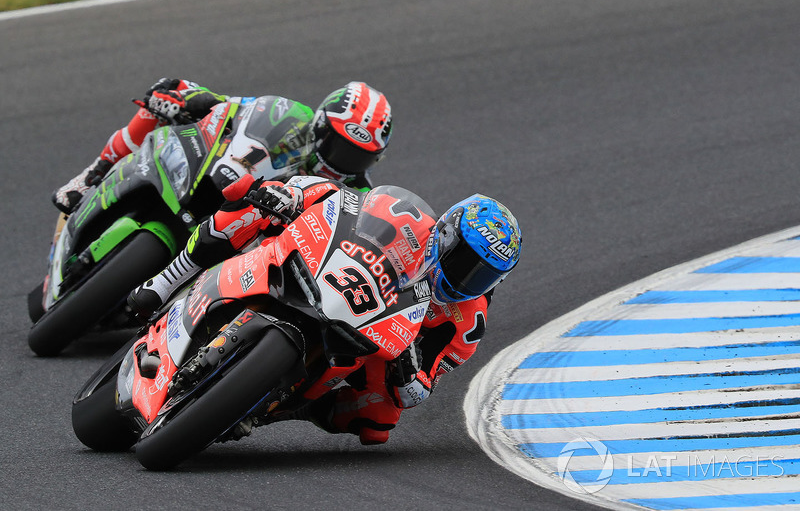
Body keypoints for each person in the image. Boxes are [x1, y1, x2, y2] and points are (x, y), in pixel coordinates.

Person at [129, 177, 522, 445]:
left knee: (378, 423)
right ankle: (166, 281)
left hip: (374, 340)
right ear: (444, 234)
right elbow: (341, 199)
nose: (467, 279)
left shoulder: (466, 323)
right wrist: (293, 196)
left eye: (483, 275)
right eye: (463, 261)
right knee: (248, 208)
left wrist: (408, 370)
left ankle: (280, 407)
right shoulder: (403, 215)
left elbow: (420, 390)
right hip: (327, 276)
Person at [52, 78, 392, 213]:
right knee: (170, 88)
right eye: (339, 146)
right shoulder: (289, 115)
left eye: (358, 156)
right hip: (225, 174)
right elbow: (234, 104)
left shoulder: (358, 195)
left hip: (252, 232)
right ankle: (91, 175)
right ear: (320, 126)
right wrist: (194, 99)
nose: (343, 161)